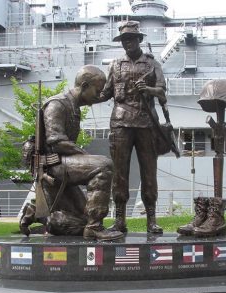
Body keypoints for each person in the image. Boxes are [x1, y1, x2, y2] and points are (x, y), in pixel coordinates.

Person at [20, 65, 123, 241]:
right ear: (84, 85)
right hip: (54, 164)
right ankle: (94, 227)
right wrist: (84, 155)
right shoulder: (58, 104)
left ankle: (37, 213)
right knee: (104, 166)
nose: (98, 96)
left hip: (62, 162)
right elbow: (56, 140)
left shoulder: (73, 106)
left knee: (82, 219)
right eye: (96, 91)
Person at [100, 21, 167, 234]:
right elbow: (105, 92)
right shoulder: (115, 64)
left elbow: (163, 93)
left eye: (131, 39)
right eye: (123, 40)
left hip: (146, 123)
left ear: (139, 39)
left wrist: (147, 88)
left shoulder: (152, 64)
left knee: (149, 172)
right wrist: (79, 97)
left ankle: (151, 220)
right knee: (119, 173)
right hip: (120, 123)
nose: (127, 43)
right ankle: (120, 220)